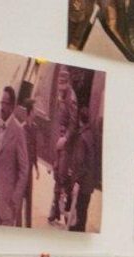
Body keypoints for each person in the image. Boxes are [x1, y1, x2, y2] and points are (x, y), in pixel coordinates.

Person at [0, 86, 28, 226]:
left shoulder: (18, 131)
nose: (2, 107)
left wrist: (15, 198)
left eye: (5, 103)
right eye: (1, 102)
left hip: (9, 202)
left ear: (12, 106)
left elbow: (24, 169)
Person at [48, 69, 78, 226]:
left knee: (62, 175)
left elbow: (73, 124)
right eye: (58, 84)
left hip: (66, 144)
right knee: (56, 172)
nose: (59, 88)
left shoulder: (71, 98)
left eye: (62, 84)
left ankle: (64, 208)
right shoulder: (61, 95)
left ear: (67, 83)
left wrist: (65, 139)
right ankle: (57, 208)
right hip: (59, 140)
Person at [70, 105, 96, 232]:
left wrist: (76, 182)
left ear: (80, 120)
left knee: (78, 215)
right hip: (89, 184)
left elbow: (81, 163)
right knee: (83, 213)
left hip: (82, 183)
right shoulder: (91, 135)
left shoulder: (82, 138)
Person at [20, 98, 40, 228]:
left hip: (30, 171)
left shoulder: (35, 128)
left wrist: (37, 168)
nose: (37, 111)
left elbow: (34, 149)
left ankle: (28, 228)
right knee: (19, 200)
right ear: (30, 111)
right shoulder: (21, 129)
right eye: (35, 108)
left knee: (29, 200)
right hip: (22, 171)